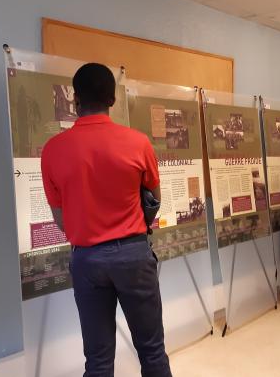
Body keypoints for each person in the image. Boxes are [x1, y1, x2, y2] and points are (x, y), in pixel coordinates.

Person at [41, 63, 172, 377]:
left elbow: (60, 219)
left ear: (76, 99)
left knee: (98, 361)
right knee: (152, 351)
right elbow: (154, 198)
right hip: (133, 255)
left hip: (87, 259)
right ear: (112, 100)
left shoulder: (53, 150)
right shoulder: (138, 143)